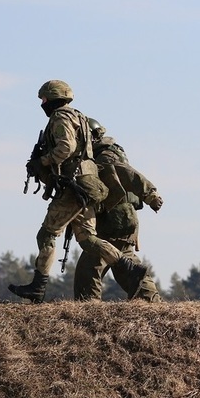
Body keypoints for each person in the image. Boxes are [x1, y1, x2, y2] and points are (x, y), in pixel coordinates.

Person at [8, 80, 148, 303]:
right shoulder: (80, 117)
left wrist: (43, 161)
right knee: (88, 239)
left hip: (74, 187)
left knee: (46, 235)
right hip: (88, 186)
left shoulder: (60, 117)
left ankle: (38, 286)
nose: (42, 104)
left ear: (52, 98)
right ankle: (130, 269)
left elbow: (66, 147)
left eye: (44, 99)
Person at [74, 118, 164, 302]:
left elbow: (127, 173)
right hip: (120, 217)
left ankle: (87, 308)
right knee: (125, 263)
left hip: (116, 219)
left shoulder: (105, 156)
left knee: (90, 265)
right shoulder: (100, 154)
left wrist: (150, 195)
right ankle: (151, 302)